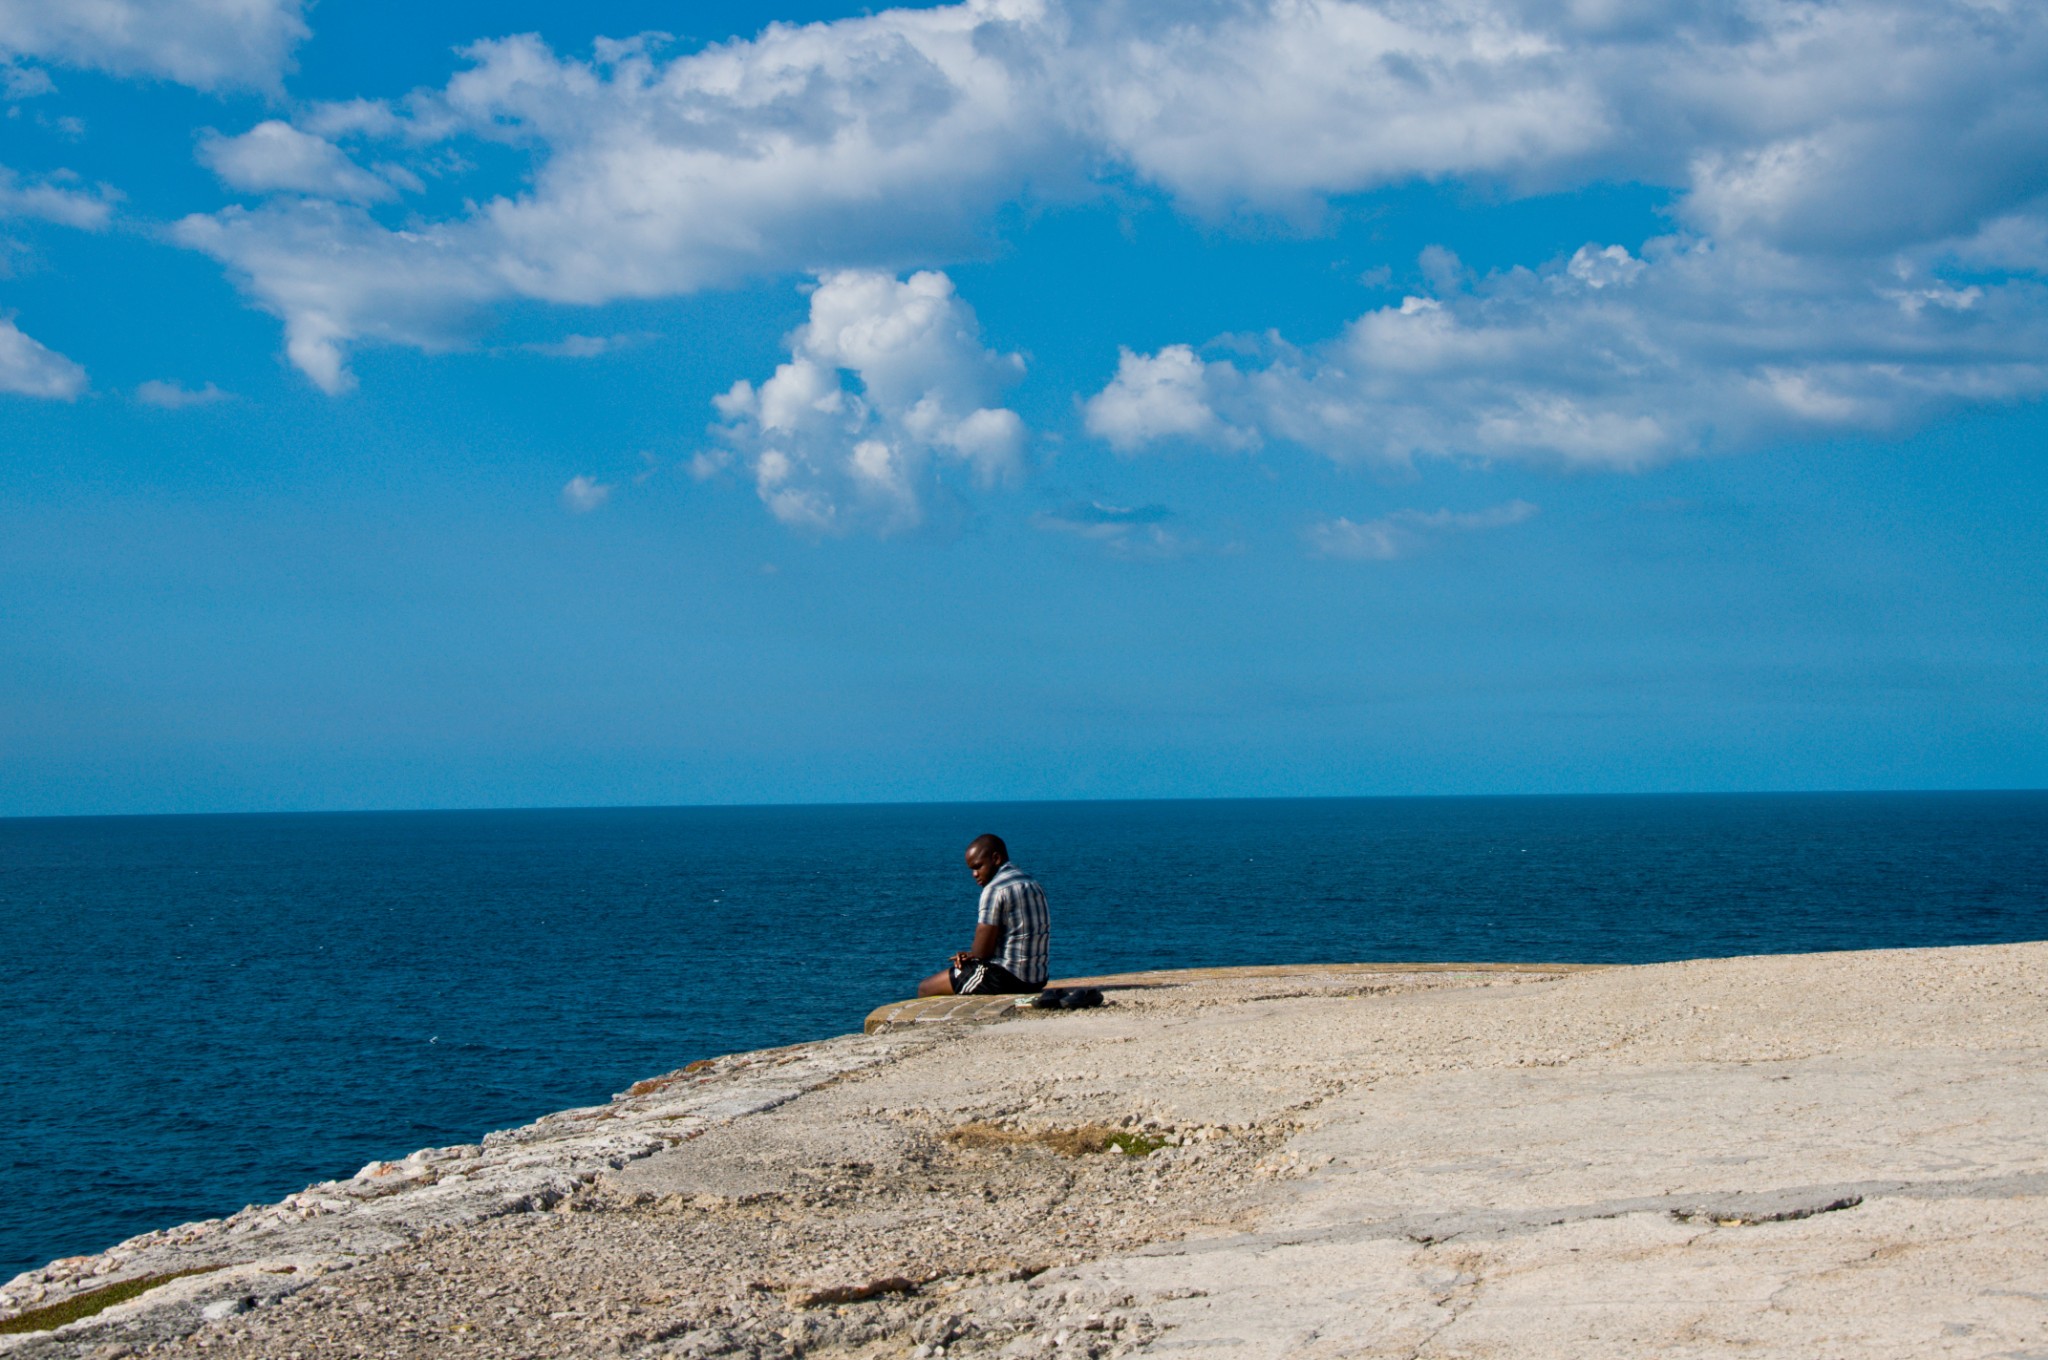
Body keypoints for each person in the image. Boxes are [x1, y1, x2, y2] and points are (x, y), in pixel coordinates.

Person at [917, 833, 1049, 996]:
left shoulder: (994, 889)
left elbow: (982, 952)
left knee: (926, 988)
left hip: (1005, 979)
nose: (974, 874)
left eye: (978, 866)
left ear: (996, 858)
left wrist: (973, 956)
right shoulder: (1032, 883)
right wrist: (972, 955)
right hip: (1036, 979)